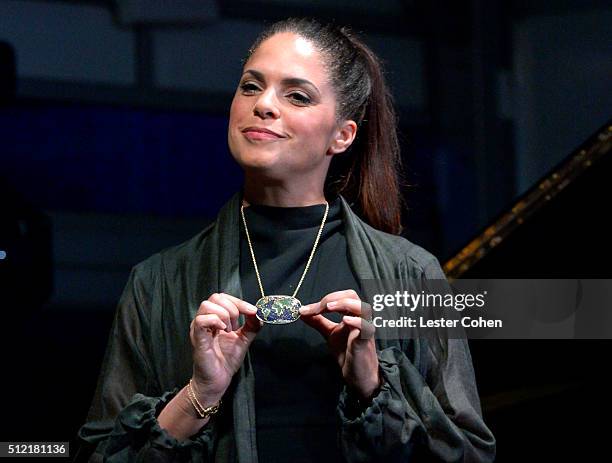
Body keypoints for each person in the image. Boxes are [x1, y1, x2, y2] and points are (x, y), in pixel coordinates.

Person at [75, 17, 496, 463]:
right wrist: (199, 395)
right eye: (251, 87)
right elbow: (100, 455)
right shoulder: (157, 282)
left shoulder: (411, 272)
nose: (264, 106)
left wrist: (371, 388)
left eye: (296, 95)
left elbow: (468, 453)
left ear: (342, 135)